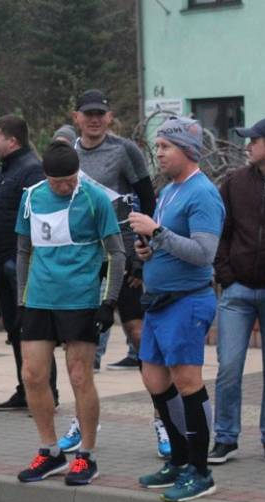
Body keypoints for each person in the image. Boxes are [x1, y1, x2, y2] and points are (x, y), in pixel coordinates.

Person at [14, 142, 125, 485]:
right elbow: (22, 250)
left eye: (70, 180)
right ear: (46, 176)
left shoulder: (95, 198)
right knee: (32, 375)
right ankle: (49, 451)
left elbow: (117, 254)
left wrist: (109, 302)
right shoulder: (31, 197)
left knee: (79, 377)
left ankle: (86, 455)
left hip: (80, 300)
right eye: (57, 182)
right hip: (39, 300)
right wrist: (21, 300)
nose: (65, 187)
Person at [129, 117, 224, 502]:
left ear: (187, 150)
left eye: (166, 147)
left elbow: (204, 253)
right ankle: (180, 461)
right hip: (159, 302)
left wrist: (156, 233)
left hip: (188, 301)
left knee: (187, 381)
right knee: (155, 380)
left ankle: (201, 470)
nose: (160, 154)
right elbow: (168, 242)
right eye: (159, 147)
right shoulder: (169, 190)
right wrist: (148, 250)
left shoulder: (203, 194)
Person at [208, 118, 265, 465]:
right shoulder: (234, 182)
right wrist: (226, 274)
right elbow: (221, 230)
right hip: (237, 290)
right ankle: (225, 438)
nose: (247, 146)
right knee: (228, 367)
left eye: (254, 140)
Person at [73, 90, 156, 373]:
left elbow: (148, 199)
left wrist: (140, 253)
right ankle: (83, 412)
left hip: (123, 251)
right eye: (88, 114)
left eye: (100, 114)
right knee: (81, 334)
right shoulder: (70, 153)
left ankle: (161, 405)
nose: (94, 120)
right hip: (85, 255)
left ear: (110, 117)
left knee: (135, 328)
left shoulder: (125, 149)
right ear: (77, 118)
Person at [0, 114, 58, 411]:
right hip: (2, 259)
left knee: (33, 329)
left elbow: (38, 217)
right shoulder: (5, 170)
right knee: (15, 329)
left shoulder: (31, 171)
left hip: (21, 263)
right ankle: (26, 388)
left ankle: (46, 392)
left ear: (12, 140)